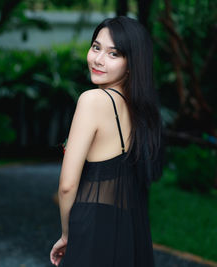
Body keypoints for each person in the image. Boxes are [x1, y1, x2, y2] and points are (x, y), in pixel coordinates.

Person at [49, 16, 163, 267]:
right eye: (96, 47)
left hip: (91, 229)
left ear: (131, 64)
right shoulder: (141, 111)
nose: (98, 60)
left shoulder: (92, 101)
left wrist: (67, 234)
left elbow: (67, 185)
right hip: (127, 230)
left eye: (114, 54)